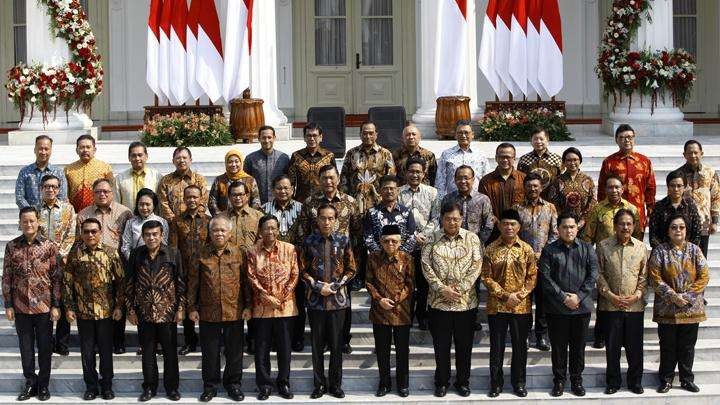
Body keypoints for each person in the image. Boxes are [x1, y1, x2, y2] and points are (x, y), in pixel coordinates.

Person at [187, 216, 252, 402]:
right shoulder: (200, 253)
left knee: (234, 352)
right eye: (215, 230)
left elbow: (246, 282)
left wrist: (248, 306)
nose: (219, 233)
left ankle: (233, 385)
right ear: (210, 232)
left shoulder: (239, 253)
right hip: (208, 312)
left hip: (234, 310)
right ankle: (210, 386)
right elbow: (193, 283)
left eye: (223, 230)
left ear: (229, 232)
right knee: (210, 352)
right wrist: (192, 307)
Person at [422, 202, 483, 398]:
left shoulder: (472, 238)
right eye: (448, 219)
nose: (452, 222)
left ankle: (463, 382)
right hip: (439, 303)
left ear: (461, 219)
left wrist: (459, 289)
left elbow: (476, 265)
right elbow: (426, 266)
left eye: (456, 219)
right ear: (442, 219)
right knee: (441, 346)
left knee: (464, 347)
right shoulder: (431, 239)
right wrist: (442, 289)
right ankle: (441, 382)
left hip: (465, 304)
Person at [297, 165, 360, 353]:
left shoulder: (350, 202)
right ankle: (322, 340)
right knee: (319, 304)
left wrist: (351, 258)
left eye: (332, 177)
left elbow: (356, 230)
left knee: (343, 303)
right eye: (324, 178)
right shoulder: (310, 202)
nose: (328, 181)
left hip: (341, 262)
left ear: (338, 179)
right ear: (319, 180)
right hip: (317, 260)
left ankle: (342, 340)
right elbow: (303, 229)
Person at [3, 206, 61, 401]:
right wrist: (8, 304)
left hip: (44, 307)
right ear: (20, 223)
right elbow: (7, 277)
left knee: (45, 348)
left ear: (38, 222)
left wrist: (56, 305)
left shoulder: (49, 246)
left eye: (32, 221)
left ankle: (43, 385)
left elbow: (56, 277)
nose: (28, 224)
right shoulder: (11, 246)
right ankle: (30, 383)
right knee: (25, 348)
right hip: (20, 306)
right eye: (25, 221)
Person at [63, 218, 125, 401]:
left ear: (100, 233)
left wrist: (119, 306)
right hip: (84, 312)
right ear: (81, 233)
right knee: (87, 352)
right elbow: (67, 281)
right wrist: (69, 306)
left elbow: (121, 281)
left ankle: (106, 385)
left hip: (106, 312)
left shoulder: (110, 252)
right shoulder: (75, 254)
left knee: (106, 351)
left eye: (94, 231)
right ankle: (91, 386)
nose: (90, 235)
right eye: (86, 231)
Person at [648, 214, 709, 394]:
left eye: (681, 227)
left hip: (691, 308)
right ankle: (666, 379)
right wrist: (674, 296)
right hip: (667, 308)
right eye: (674, 227)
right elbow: (655, 277)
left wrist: (688, 296)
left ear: (686, 230)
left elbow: (704, 275)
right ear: (668, 231)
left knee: (687, 346)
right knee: (667, 345)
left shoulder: (695, 250)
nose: (678, 231)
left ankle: (686, 379)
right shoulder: (660, 251)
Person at [539, 212, 598, 398]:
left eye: (572, 226)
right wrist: (564, 298)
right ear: (558, 229)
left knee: (578, 347)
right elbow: (545, 279)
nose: (569, 230)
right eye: (564, 227)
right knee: (558, 347)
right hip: (557, 309)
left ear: (577, 228)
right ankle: (559, 381)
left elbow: (593, 276)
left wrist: (578, 297)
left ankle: (576, 380)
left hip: (581, 308)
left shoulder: (587, 248)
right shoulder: (549, 251)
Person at [301, 204, 356, 399]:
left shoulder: (343, 241)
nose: (326, 222)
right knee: (316, 347)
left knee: (336, 345)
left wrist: (334, 286)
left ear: (336, 220)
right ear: (317, 220)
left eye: (330, 218)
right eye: (323, 218)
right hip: (315, 302)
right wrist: (317, 286)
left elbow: (351, 269)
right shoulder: (309, 241)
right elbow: (302, 270)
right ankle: (319, 384)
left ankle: (335, 385)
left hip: (337, 302)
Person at [481, 209, 537, 398]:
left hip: (521, 307)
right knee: (496, 347)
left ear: (519, 227)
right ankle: (495, 383)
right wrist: (505, 296)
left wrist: (519, 296)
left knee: (520, 346)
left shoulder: (527, 249)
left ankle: (519, 383)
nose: (509, 227)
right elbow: (486, 277)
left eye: (512, 224)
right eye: (505, 223)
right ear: (499, 225)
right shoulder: (490, 249)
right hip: (497, 306)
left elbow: (532, 277)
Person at [125, 220, 184, 402]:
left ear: (161, 235)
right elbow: (129, 283)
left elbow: (180, 282)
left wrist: (180, 308)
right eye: (148, 235)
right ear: (142, 236)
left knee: (170, 353)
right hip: (144, 312)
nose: (151, 238)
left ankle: (172, 388)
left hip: (167, 312)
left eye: (155, 234)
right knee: (148, 353)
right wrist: (131, 310)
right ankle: (149, 387)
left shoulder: (173, 253)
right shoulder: (136, 254)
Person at [76, 178, 133, 354]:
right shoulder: (84, 214)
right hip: (91, 264)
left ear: (112, 193)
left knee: (118, 300)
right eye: (98, 191)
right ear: (93, 194)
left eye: (106, 191)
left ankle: (118, 340)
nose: (102, 194)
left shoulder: (125, 213)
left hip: (117, 262)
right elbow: (79, 240)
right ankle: (95, 342)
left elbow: (128, 238)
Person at [246, 215, 299, 400]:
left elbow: (294, 274)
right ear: (260, 231)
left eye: (274, 228)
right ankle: (265, 385)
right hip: (261, 308)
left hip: (285, 307)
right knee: (262, 349)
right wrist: (266, 296)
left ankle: (283, 382)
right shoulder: (252, 252)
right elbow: (251, 276)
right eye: (266, 228)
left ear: (278, 230)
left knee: (285, 348)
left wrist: (280, 298)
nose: (270, 231)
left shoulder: (289, 249)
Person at [596, 209, 647, 395]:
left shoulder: (641, 247)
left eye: (629, 224)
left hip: (634, 307)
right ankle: (613, 382)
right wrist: (610, 296)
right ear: (615, 226)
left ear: (634, 226)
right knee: (612, 347)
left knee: (635, 348)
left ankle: (635, 382)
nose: (625, 227)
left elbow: (644, 275)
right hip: (610, 306)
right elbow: (598, 274)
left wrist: (637, 295)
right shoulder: (603, 246)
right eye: (621, 224)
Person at [365, 224, 413, 398]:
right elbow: (368, 282)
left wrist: (397, 299)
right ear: (380, 241)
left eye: (394, 241)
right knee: (382, 350)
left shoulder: (407, 258)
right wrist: (379, 300)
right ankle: (384, 383)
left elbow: (410, 283)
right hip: (380, 312)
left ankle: (403, 384)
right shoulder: (373, 258)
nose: (390, 244)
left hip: (401, 312)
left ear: (400, 242)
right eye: (386, 241)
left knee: (402, 350)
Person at [512, 172, 558, 352]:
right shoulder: (517, 208)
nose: (532, 189)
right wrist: (528, 254)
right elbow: (512, 233)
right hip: (522, 262)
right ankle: (523, 335)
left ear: (541, 187)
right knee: (524, 300)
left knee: (543, 300)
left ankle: (541, 335)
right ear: (524, 187)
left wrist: (544, 253)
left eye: (536, 186)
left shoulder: (550, 208)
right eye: (529, 186)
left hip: (545, 261)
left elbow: (555, 233)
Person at [260, 175, 304, 351]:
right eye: (279, 188)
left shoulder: (302, 209)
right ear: (273, 190)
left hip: (295, 263)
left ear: (292, 189)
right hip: (270, 264)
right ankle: (272, 340)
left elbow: (305, 233)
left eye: (286, 188)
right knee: (271, 302)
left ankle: (297, 338)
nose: (283, 191)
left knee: (296, 302)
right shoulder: (264, 209)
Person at [35, 174, 76, 357]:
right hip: (41, 264)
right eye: (46, 186)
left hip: (63, 262)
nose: (50, 189)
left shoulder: (68, 209)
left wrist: (60, 255)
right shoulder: (35, 210)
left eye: (53, 186)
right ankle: (46, 341)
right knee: (45, 302)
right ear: (41, 188)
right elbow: (31, 234)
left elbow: (71, 234)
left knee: (63, 300)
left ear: (59, 189)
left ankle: (62, 342)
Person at [397, 157, 438, 330]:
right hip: (404, 246)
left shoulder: (432, 193)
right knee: (405, 282)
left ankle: (422, 315)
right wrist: (412, 236)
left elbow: (436, 218)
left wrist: (423, 235)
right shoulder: (398, 192)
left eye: (418, 172)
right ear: (406, 173)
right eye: (411, 171)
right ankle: (405, 315)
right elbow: (396, 219)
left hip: (425, 245)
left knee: (423, 284)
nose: (415, 175)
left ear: (424, 173)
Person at [169, 185, 210, 356]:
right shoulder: (177, 221)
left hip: (205, 269)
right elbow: (173, 247)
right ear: (184, 199)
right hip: (185, 270)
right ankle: (189, 341)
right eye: (189, 197)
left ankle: (208, 341)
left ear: (201, 199)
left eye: (195, 197)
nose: (192, 200)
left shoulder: (208, 220)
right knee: (186, 305)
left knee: (207, 304)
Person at [597, 124, 656, 239]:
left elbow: (651, 188)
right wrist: (602, 211)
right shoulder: (609, 162)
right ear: (616, 140)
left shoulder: (644, 162)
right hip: (614, 213)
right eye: (622, 137)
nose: (627, 140)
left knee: (636, 247)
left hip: (637, 213)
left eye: (630, 137)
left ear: (634, 138)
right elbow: (602, 188)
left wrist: (650, 212)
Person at [339, 121, 396, 213]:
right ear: (360, 134)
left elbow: (391, 180)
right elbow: (344, 179)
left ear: (376, 134)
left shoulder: (386, 154)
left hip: (378, 204)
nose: (368, 136)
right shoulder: (351, 153)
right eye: (364, 133)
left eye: (371, 133)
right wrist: (345, 200)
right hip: (355, 204)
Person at [676, 140, 720, 257]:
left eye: (696, 152)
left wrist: (715, 222)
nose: (693, 156)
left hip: (704, 223)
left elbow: (716, 197)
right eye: (689, 153)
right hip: (683, 223)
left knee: (701, 257)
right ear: (684, 155)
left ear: (701, 153)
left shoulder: (710, 173)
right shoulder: (678, 174)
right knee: (684, 257)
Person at [479, 143, 526, 242]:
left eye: (508, 157)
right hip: (494, 232)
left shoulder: (523, 179)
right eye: (501, 157)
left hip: (520, 233)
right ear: (496, 158)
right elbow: (483, 207)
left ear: (514, 159)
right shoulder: (486, 181)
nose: (505, 160)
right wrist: (499, 224)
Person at [545, 147, 597, 232]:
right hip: (564, 226)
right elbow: (553, 204)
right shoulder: (557, 181)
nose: (572, 163)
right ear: (564, 162)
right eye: (569, 160)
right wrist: (563, 222)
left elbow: (593, 202)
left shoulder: (588, 180)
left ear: (580, 161)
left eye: (575, 160)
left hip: (584, 225)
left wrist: (582, 221)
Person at [363, 175, 416, 255]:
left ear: (398, 190)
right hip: (379, 261)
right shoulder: (371, 212)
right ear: (380, 191)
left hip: (402, 260)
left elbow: (412, 237)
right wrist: (381, 256)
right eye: (385, 188)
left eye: (392, 188)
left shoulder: (406, 212)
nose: (389, 191)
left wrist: (399, 255)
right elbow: (368, 238)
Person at [440, 165, 494, 244]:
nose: (463, 181)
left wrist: (478, 241)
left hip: (475, 244)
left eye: (466, 178)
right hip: (451, 244)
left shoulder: (483, 199)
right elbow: (442, 221)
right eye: (459, 178)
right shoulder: (448, 199)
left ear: (473, 179)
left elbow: (489, 224)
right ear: (455, 180)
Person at [435, 120, 489, 198]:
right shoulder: (446, 154)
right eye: (460, 133)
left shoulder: (480, 155)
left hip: (475, 200)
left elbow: (486, 179)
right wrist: (441, 200)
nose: (463, 136)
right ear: (455, 135)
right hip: (452, 200)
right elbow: (440, 180)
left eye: (466, 133)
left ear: (472, 135)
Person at [649, 170, 702, 249]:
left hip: (687, 253)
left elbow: (696, 234)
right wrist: (664, 252)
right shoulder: (659, 207)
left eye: (679, 186)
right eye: (672, 185)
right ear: (668, 186)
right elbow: (653, 236)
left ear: (684, 187)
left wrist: (686, 251)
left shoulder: (690, 206)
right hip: (663, 254)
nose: (676, 189)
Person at [287, 122, 337, 204]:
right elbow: (290, 182)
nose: (312, 138)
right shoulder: (296, 156)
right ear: (304, 138)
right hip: (301, 202)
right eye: (309, 135)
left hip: (324, 203)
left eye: (315, 135)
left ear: (321, 137)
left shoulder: (329, 156)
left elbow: (335, 180)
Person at [157, 146, 209, 222]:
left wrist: (193, 218)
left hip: (195, 223)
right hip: (172, 224)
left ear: (190, 160)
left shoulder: (199, 180)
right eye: (178, 158)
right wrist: (176, 222)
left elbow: (203, 201)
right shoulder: (166, 180)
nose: (181, 160)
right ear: (173, 161)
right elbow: (163, 203)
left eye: (185, 158)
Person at [64, 134, 114, 213]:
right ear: (77, 150)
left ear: (94, 150)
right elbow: (65, 196)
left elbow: (111, 192)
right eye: (82, 147)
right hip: (76, 214)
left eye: (88, 147)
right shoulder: (68, 170)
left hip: (99, 213)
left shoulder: (105, 168)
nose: (85, 150)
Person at [15, 135, 67, 208]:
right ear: (34, 150)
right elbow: (19, 197)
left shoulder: (58, 173)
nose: (43, 152)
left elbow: (62, 197)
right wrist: (31, 213)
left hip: (52, 217)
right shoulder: (25, 172)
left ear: (51, 151)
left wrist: (49, 212)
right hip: (30, 217)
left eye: (46, 149)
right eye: (40, 149)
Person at [244, 125, 290, 205]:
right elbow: (245, 182)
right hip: (257, 204)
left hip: (279, 204)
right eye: (263, 137)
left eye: (269, 137)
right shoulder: (250, 159)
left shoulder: (283, 158)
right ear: (259, 138)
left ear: (274, 138)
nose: (266, 140)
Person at [120, 188, 169, 262]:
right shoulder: (131, 223)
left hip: (157, 264)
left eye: (148, 204)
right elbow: (125, 247)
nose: (144, 208)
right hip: (136, 265)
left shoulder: (162, 222)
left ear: (154, 205)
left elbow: (164, 245)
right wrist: (134, 261)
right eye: (141, 204)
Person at [209, 149, 261, 215]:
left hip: (246, 218)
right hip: (224, 221)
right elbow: (212, 201)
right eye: (230, 162)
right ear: (226, 163)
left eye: (236, 161)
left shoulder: (250, 180)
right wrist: (220, 217)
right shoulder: (219, 180)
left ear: (241, 163)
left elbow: (256, 201)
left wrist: (250, 216)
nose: (233, 165)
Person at [114, 141, 162, 212]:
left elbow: (160, 202)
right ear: (129, 158)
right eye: (133, 155)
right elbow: (116, 203)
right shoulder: (120, 178)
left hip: (151, 221)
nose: (137, 158)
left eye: (140, 155)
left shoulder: (156, 177)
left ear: (146, 156)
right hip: (128, 220)